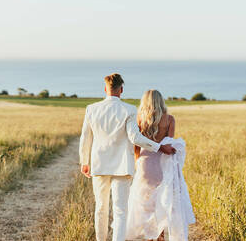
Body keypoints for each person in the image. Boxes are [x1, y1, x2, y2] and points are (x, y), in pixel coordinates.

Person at [79, 74, 177, 241]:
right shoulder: (129, 109)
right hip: (122, 167)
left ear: (105, 89)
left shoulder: (91, 109)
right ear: (121, 90)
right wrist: (159, 146)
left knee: (100, 208)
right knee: (120, 211)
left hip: (99, 165)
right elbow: (135, 138)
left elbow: (85, 137)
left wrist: (84, 162)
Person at [126, 90, 195, 241]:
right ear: (161, 101)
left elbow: (136, 145)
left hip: (145, 163)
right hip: (162, 164)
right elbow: (168, 144)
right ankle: (160, 237)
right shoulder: (169, 119)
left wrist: (138, 161)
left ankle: (150, 237)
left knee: (146, 204)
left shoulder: (138, 119)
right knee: (162, 202)